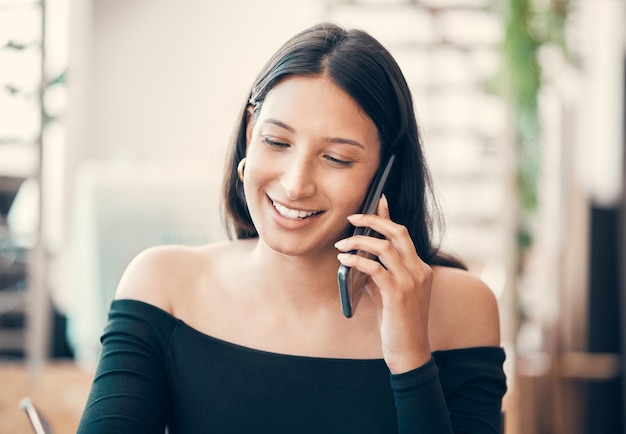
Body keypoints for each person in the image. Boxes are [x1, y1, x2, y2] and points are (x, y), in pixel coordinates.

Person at [77, 22, 507, 434]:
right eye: (277, 142)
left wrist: (410, 356)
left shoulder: (460, 307)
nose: (295, 184)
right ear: (250, 132)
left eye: (337, 158)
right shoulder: (163, 285)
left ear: (385, 175)